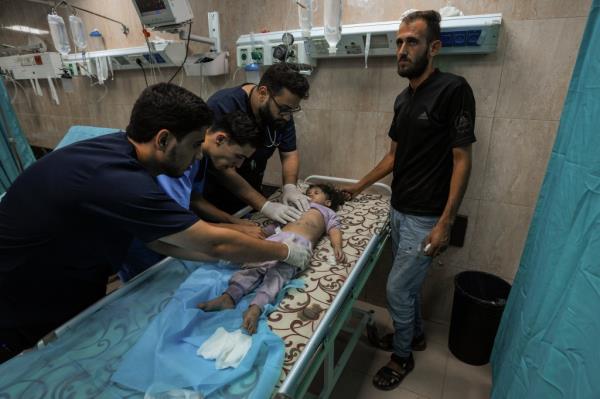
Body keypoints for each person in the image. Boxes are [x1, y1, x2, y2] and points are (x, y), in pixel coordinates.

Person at [0, 83, 311, 364]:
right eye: (193, 145)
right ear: (163, 139)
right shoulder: (120, 179)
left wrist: (233, 254)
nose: (198, 157)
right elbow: (212, 242)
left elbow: (160, 241)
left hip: (71, 277)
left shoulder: (121, 154)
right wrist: (282, 251)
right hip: (22, 296)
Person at [341, 10, 476, 391]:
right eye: (399, 42)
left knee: (397, 290)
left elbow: (462, 159)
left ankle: (402, 357)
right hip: (397, 210)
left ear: (433, 47)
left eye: (411, 41)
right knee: (407, 287)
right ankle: (413, 336)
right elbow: (393, 156)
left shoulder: (454, 89)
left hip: (425, 217)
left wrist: (446, 221)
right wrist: (359, 185)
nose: (401, 49)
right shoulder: (403, 99)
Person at [119, 110, 265, 282]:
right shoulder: (173, 162)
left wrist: (232, 221)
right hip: (146, 244)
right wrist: (235, 230)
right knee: (148, 291)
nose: (239, 165)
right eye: (238, 156)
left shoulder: (200, 160)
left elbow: (193, 198)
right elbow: (174, 225)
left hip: (170, 237)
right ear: (220, 139)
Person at [197, 183, 346, 334]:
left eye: (316, 193)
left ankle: (256, 307)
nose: (310, 195)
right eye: (308, 192)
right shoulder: (297, 207)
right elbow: (278, 223)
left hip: (299, 245)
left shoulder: (327, 212)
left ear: (328, 202)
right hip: (277, 238)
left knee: (277, 276)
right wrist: (260, 233)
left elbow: (334, 230)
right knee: (254, 266)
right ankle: (229, 297)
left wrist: (337, 246)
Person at [203, 63, 311, 224]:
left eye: (291, 111)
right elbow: (221, 167)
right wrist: (265, 205)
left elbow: (289, 153)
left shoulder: (282, 111)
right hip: (215, 201)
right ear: (263, 93)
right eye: (284, 109)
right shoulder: (223, 105)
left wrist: (290, 187)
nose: (287, 117)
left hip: (251, 197)